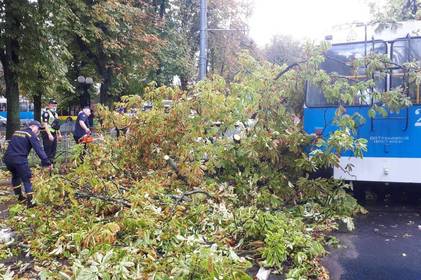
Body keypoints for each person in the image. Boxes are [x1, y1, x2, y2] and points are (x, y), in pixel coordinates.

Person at [3, 121, 52, 207]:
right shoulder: (30, 135)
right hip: (19, 160)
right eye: (38, 128)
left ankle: (19, 197)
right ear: (32, 126)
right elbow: (39, 150)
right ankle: (31, 202)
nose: (38, 131)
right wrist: (47, 162)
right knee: (26, 179)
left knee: (15, 176)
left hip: (8, 159)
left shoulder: (17, 132)